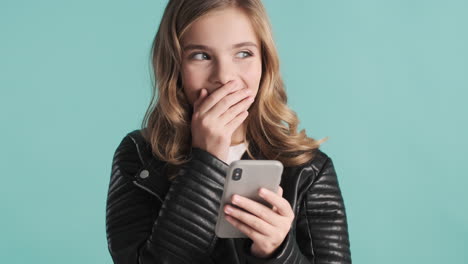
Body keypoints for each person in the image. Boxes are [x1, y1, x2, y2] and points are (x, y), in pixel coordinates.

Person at [105, 0, 352, 263]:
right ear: (175, 65)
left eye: (243, 53)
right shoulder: (140, 155)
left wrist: (278, 252)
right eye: (201, 55)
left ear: (264, 62)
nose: (224, 76)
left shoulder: (309, 168)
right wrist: (207, 159)